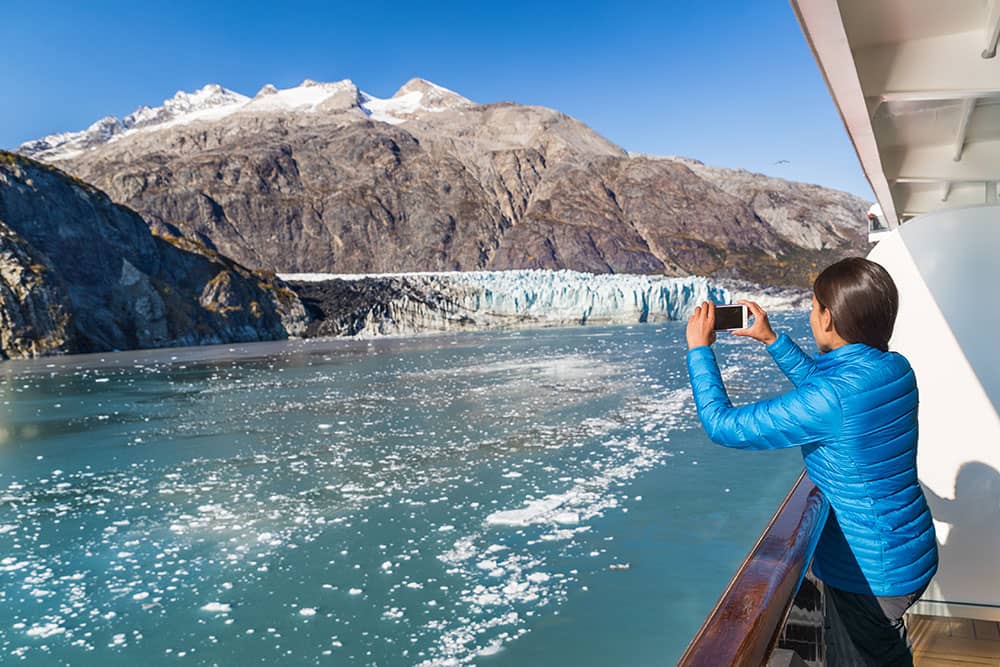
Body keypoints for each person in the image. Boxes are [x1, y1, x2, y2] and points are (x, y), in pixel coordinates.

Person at [685, 257, 938, 666]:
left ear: (829, 319)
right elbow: (828, 395)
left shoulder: (834, 398)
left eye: (815, 305)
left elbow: (723, 426)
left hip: (868, 575)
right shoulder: (893, 370)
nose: (811, 313)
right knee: (886, 650)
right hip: (908, 552)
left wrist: (700, 351)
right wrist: (772, 340)